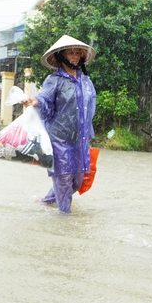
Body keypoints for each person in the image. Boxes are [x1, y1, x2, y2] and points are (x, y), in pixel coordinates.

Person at [21, 35, 97, 214]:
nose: (75, 56)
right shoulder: (54, 80)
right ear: (61, 56)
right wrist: (36, 102)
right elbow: (45, 98)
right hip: (58, 138)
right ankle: (65, 219)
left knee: (77, 181)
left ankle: (47, 200)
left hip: (79, 138)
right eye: (71, 52)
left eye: (78, 53)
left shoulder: (86, 82)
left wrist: (88, 134)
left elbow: (89, 109)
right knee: (64, 179)